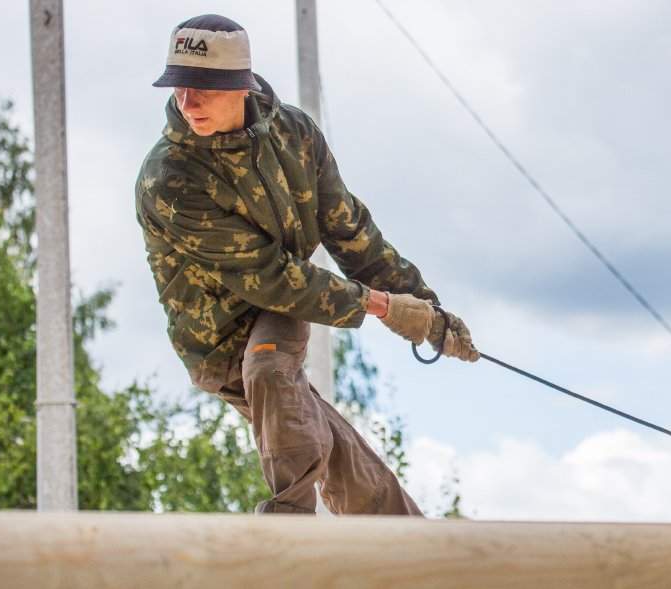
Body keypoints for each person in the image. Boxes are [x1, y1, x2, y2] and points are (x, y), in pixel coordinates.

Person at [135, 14, 479, 515]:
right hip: (221, 337)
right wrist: (385, 308)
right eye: (179, 86)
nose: (187, 103)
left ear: (240, 85)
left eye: (202, 88)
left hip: (281, 306)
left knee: (272, 366)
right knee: (317, 430)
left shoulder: (294, 134)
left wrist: (427, 311)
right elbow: (272, 277)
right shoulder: (170, 178)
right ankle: (312, 521)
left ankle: (397, 545)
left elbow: (348, 229)